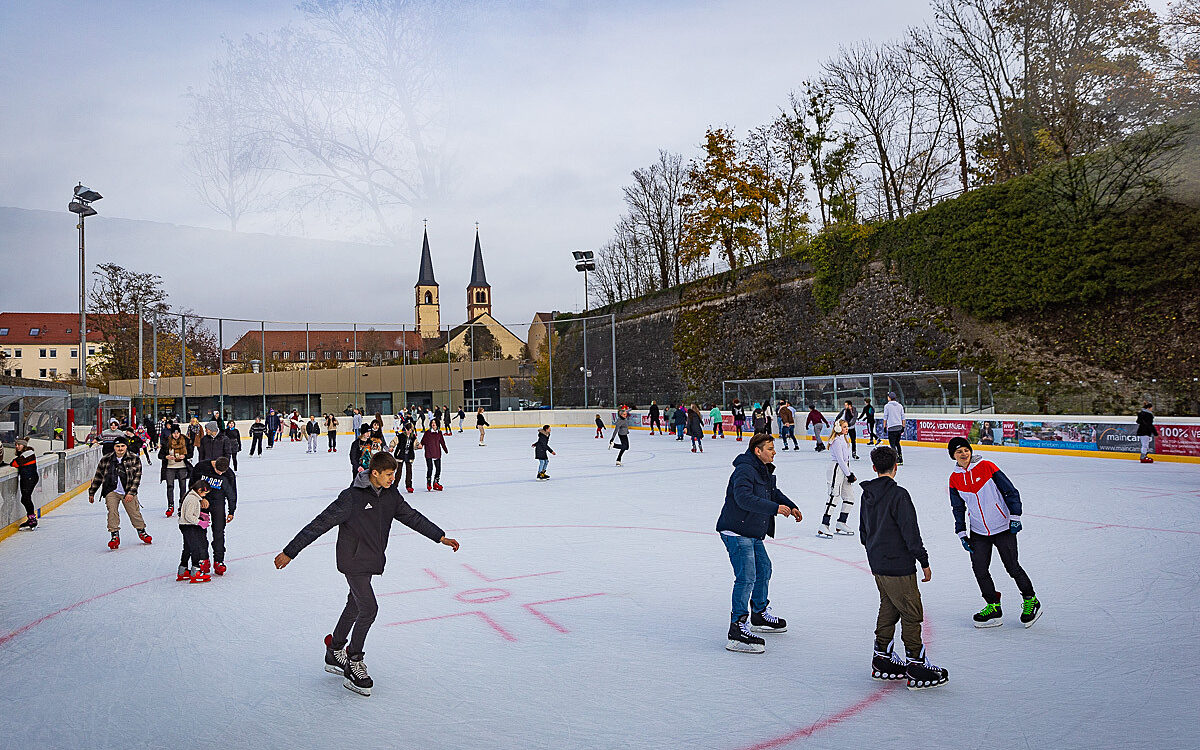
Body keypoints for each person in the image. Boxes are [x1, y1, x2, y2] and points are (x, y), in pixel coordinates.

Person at [275, 451, 461, 697]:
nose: (392, 478)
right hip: (352, 560)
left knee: (355, 605)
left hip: (371, 558)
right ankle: (353, 660)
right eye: (388, 474)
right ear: (374, 473)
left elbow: (412, 517)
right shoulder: (351, 497)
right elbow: (319, 524)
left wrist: (440, 536)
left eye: (394, 474)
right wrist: (290, 551)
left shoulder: (391, 495)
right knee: (369, 608)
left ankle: (335, 650)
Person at [858, 445, 948, 689]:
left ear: (874, 468)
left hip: (878, 563)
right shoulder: (899, 495)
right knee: (911, 612)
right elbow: (910, 532)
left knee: (889, 607)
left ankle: (882, 658)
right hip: (898, 565)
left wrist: (876, 551)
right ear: (895, 467)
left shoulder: (867, 495)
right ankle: (916, 664)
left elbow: (863, 532)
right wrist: (924, 560)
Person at [716, 432, 803, 653]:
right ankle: (737, 627)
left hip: (750, 530)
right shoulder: (745, 470)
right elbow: (743, 498)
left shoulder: (762, 469)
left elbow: (772, 492)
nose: (774, 452)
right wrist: (775, 509)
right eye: (770, 449)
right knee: (746, 577)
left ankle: (759, 613)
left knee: (763, 568)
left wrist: (790, 505)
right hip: (736, 531)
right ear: (758, 451)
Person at [947, 437, 1042, 628]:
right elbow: (958, 508)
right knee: (980, 569)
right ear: (953, 456)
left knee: (1012, 567)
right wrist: (961, 532)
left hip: (1003, 527)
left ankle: (1031, 600)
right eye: (958, 452)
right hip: (978, 531)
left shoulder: (987, 466)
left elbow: (1011, 491)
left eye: (966, 450)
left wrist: (1015, 516)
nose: (964, 454)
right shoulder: (954, 479)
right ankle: (993, 606)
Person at [88, 437, 152, 549]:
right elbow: (98, 476)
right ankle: (114, 535)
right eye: (117, 446)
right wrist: (92, 492)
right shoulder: (106, 459)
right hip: (111, 490)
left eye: (122, 446)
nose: (120, 448)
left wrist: (131, 493)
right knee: (112, 512)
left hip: (127, 490)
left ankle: (141, 531)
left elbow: (137, 478)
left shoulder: (134, 458)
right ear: (114, 447)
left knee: (134, 513)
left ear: (126, 447)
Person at [192, 455, 237, 577]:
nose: (221, 474)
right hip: (202, 504)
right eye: (218, 471)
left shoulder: (229, 474)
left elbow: (232, 493)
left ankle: (219, 561)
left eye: (223, 472)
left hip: (218, 504)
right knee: (200, 531)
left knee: (219, 532)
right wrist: (200, 498)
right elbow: (192, 485)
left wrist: (231, 511)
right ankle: (203, 559)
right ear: (214, 464)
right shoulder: (201, 467)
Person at [817, 420, 857, 538]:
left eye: (847, 427)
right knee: (834, 496)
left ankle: (841, 522)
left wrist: (849, 473)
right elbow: (840, 459)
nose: (846, 429)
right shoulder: (836, 441)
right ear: (838, 428)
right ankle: (824, 524)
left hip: (845, 469)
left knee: (849, 497)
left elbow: (846, 460)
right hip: (836, 469)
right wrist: (849, 474)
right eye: (844, 427)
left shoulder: (844, 439)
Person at [176, 480, 212, 583]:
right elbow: (188, 516)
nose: (204, 495)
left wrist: (200, 514)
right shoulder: (193, 499)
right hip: (189, 526)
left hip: (185, 525)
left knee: (187, 548)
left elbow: (189, 512)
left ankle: (182, 570)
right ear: (200, 490)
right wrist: (200, 522)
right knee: (195, 548)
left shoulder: (192, 497)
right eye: (205, 493)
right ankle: (195, 571)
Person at [159, 424, 193, 518]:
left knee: (183, 486)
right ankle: (170, 506)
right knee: (170, 486)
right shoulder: (167, 442)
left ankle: (182, 505)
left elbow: (191, 453)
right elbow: (160, 455)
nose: (176, 435)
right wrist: (166, 457)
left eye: (177, 433)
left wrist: (185, 456)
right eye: (174, 433)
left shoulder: (185, 440)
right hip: (170, 467)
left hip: (182, 467)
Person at [10, 436, 39, 530]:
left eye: (19, 445)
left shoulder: (28, 454)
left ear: (24, 445)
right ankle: (31, 518)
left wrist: (14, 461)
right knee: (25, 499)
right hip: (27, 478)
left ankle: (32, 520)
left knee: (25, 498)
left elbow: (15, 463)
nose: (17, 446)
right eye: (16, 445)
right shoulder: (25, 454)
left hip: (29, 478)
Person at [421, 421, 448, 491]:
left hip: (437, 453)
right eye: (432, 423)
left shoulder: (439, 433)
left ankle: (436, 482)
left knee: (438, 469)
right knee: (430, 469)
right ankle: (429, 483)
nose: (433, 424)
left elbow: (442, 442)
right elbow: (423, 441)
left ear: (437, 425)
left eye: (435, 423)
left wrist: (445, 449)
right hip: (429, 453)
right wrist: (420, 445)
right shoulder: (427, 432)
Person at [391, 420, 418, 493]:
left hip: (409, 455)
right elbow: (394, 441)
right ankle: (395, 485)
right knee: (398, 472)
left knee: (409, 471)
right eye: (408, 430)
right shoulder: (400, 436)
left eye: (411, 430)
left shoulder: (413, 437)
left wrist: (418, 446)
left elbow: (415, 444)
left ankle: (409, 486)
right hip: (400, 455)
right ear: (405, 429)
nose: (409, 431)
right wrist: (391, 446)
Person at [883, 393, 905, 465]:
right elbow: (903, 417)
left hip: (892, 428)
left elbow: (885, 417)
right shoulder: (900, 406)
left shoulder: (887, 406)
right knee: (897, 443)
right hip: (899, 427)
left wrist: (884, 427)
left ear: (889, 398)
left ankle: (895, 458)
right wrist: (903, 427)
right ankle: (900, 458)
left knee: (892, 444)